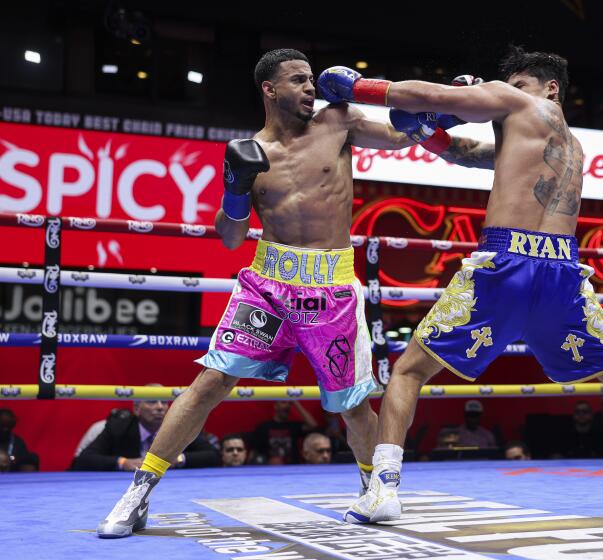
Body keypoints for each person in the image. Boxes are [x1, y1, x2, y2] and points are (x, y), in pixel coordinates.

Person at [319, 45, 603, 522]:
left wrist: (359, 88)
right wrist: (426, 133)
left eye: (517, 84)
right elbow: (467, 153)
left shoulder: (516, 101)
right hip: (563, 272)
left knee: (409, 372)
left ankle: (383, 489)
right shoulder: (571, 148)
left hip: (506, 263)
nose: (505, 92)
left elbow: (428, 95)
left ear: (549, 88)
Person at [96, 48, 416, 538]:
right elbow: (230, 237)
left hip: (331, 288)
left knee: (353, 404)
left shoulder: (338, 122)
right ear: (270, 89)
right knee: (210, 382)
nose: (310, 87)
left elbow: (400, 136)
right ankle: (137, 493)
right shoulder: (248, 150)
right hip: (268, 285)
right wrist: (234, 189)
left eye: (311, 79)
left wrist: (415, 105)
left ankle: (374, 490)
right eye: (298, 80)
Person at [72, 394, 219, 472]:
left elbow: (214, 456)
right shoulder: (118, 427)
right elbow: (83, 460)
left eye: (164, 402)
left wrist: (178, 459)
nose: (160, 407)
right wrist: (123, 463)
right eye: (152, 401)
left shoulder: (182, 426)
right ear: (137, 409)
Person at [251, 400, 317, 464]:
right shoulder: (264, 427)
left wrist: (296, 403)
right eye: (283, 402)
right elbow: (254, 451)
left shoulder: (293, 426)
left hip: (293, 467)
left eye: (289, 404)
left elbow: (312, 425)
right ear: (276, 406)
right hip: (270, 468)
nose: (287, 405)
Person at [0, 408, 38, 472]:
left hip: (11, 472)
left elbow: (19, 458)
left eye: (9, 426)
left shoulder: (17, 441)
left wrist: (11, 458)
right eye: (2, 426)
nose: (6, 429)